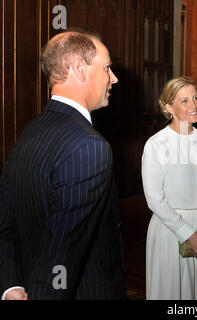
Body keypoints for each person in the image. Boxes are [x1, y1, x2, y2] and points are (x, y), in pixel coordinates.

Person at [0, 30, 126, 300]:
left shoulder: (30, 131)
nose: (113, 78)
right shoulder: (89, 145)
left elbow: (6, 226)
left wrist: (11, 285)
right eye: (107, 67)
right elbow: (63, 250)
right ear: (80, 69)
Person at [141, 76, 197, 300]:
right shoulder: (156, 144)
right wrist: (188, 234)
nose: (194, 105)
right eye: (184, 100)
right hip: (172, 231)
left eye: (195, 98)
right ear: (168, 107)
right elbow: (155, 199)